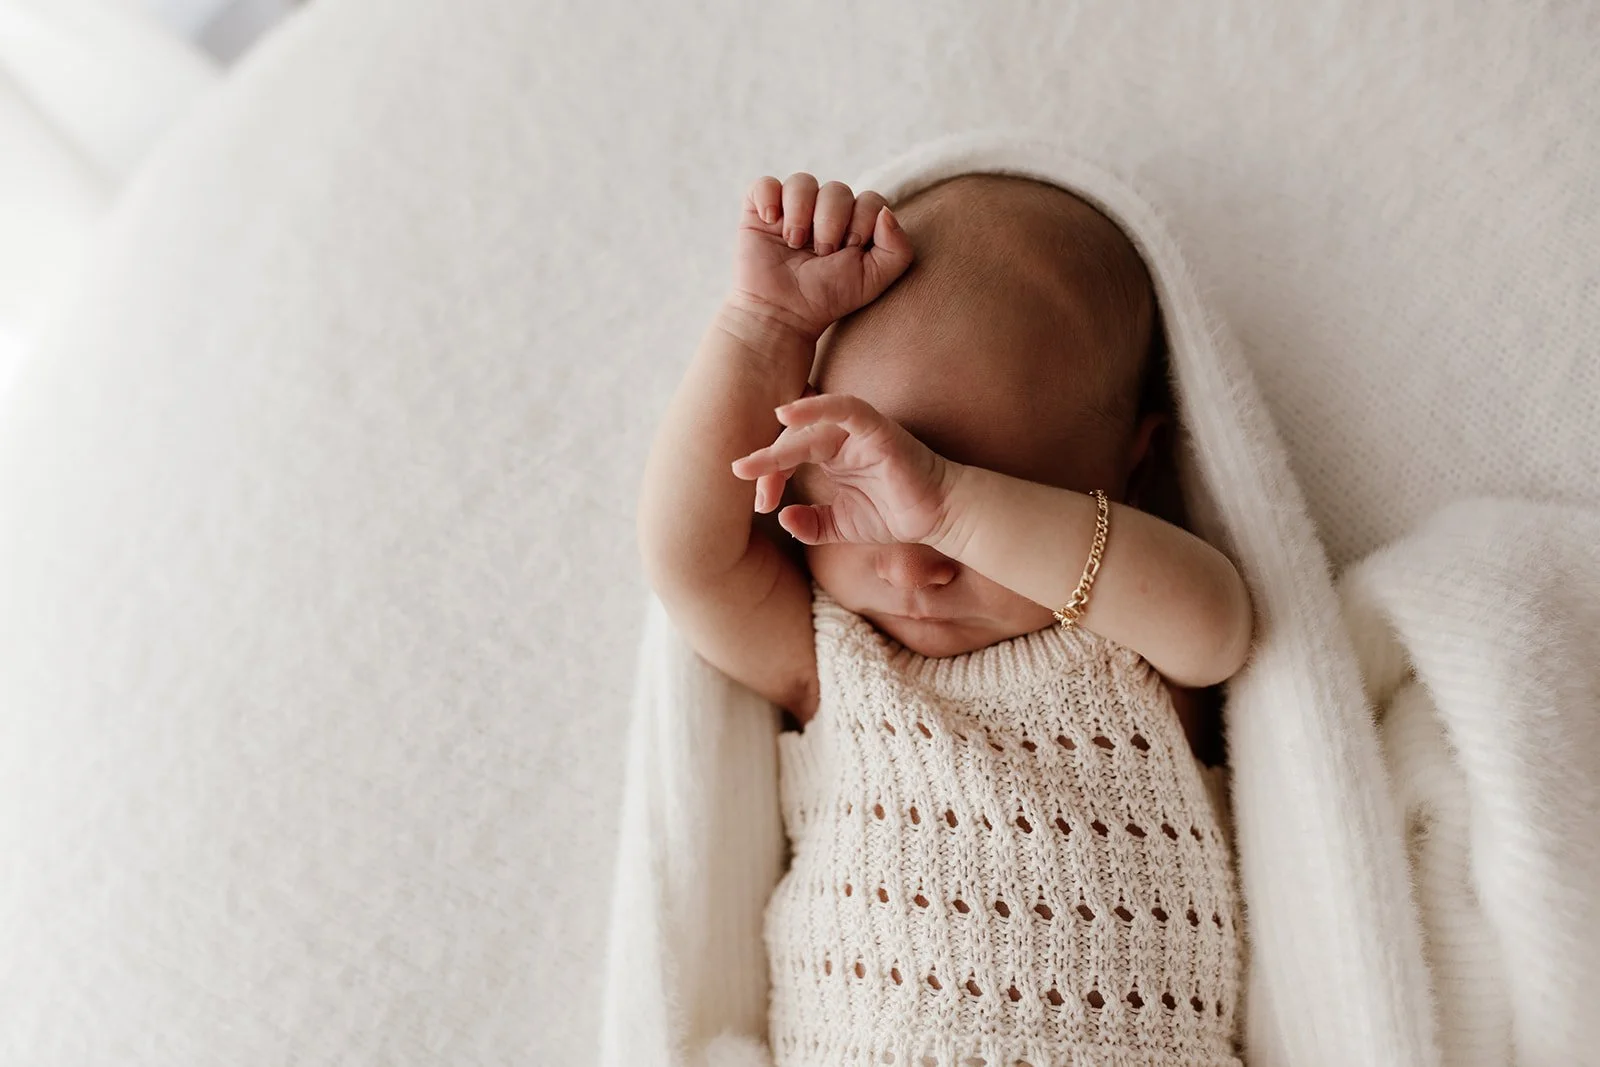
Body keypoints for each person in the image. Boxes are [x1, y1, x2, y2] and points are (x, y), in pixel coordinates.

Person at [638, 171, 1251, 1066]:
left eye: (986, 489)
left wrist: (955, 504)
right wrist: (763, 328)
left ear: (1130, 466)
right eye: (866, 488)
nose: (916, 560)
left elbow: (1221, 625)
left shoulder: (1124, 637)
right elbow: (688, 558)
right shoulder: (830, 658)